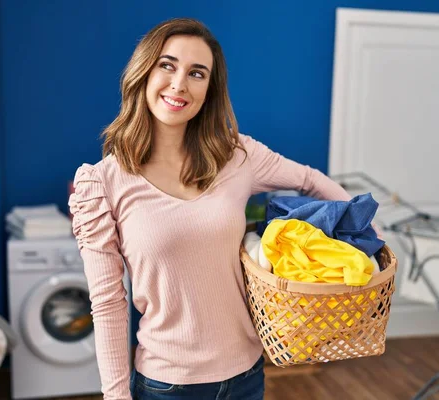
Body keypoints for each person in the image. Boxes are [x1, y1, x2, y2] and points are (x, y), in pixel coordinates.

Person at [68, 18, 362, 400]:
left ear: (209, 88)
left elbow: (311, 180)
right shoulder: (103, 183)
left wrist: (364, 239)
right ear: (144, 71)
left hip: (246, 376)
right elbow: (108, 303)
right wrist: (115, 396)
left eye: (197, 73)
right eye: (167, 65)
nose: (179, 84)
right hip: (166, 386)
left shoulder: (236, 156)